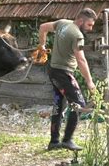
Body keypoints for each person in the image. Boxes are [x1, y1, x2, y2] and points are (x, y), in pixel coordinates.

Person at [37, 8, 98, 151]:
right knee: (78, 104)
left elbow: (43, 28)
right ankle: (67, 140)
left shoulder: (62, 23)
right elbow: (81, 60)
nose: (90, 28)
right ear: (81, 21)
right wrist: (89, 82)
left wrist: (42, 45)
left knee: (60, 105)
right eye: (89, 25)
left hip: (53, 70)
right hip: (64, 74)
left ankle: (54, 142)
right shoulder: (77, 35)